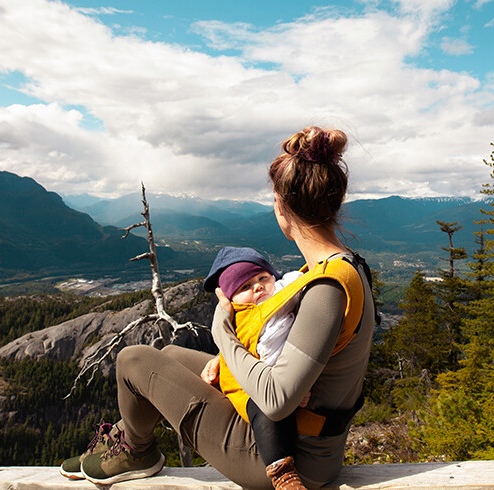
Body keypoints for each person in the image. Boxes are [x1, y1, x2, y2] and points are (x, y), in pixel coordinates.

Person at [60, 126, 376, 489]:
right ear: (335, 202)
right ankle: (125, 439)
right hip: (304, 439)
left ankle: (137, 449)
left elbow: (275, 401)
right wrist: (231, 360)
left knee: (133, 360)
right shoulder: (344, 267)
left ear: (280, 207)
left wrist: (223, 333)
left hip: (288, 459)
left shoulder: (326, 289)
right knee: (172, 356)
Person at [201, 246, 308, 489]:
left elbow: (302, 281)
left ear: (274, 277)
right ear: (231, 299)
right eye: (245, 287)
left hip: (287, 376)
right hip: (249, 385)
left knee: (278, 408)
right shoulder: (241, 317)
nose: (258, 287)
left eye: (262, 278)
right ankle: (283, 474)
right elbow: (241, 347)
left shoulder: (286, 293)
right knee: (266, 412)